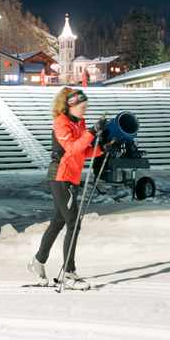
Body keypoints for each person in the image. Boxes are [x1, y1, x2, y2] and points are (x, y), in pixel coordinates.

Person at [29, 87, 104, 289]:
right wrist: (90, 133)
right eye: (82, 106)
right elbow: (72, 148)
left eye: (86, 106)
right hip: (60, 176)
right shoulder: (61, 123)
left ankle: (38, 261)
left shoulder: (79, 122)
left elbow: (84, 150)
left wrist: (103, 147)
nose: (85, 110)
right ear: (71, 105)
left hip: (72, 176)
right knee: (73, 222)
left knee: (58, 221)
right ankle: (69, 273)